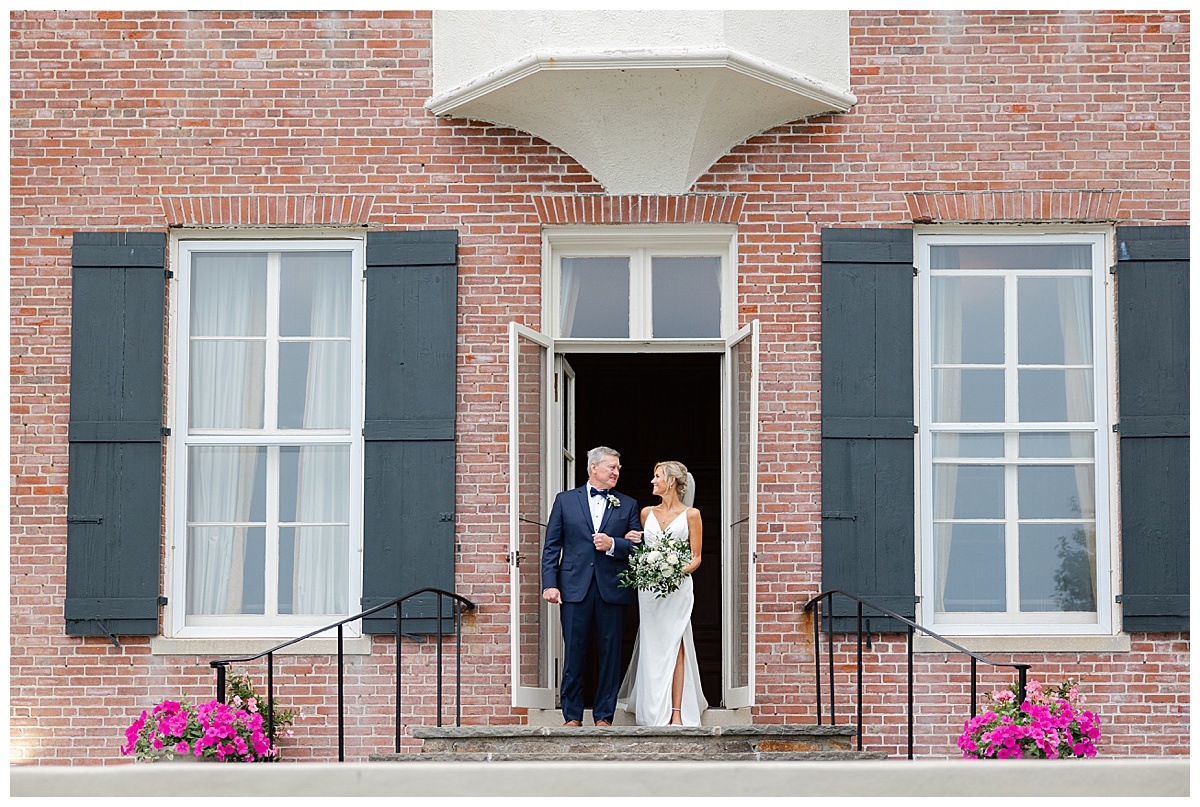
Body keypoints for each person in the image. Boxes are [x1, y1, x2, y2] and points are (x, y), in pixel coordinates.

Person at [541, 446, 643, 727]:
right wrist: (550, 584)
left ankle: (604, 716)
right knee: (574, 651)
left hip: (613, 588)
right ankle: (572, 715)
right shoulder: (564, 501)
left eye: (618, 468)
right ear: (594, 468)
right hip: (574, 587)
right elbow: (552, 547)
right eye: (612, 467)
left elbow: (638, 549)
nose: (616, 472)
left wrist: (614, 545)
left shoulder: (628, 504)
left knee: (610, 653)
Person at [617, 460, 708, 726]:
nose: (652, 481)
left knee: (675, 645)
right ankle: (653, 708)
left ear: (671, 481)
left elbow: (696, 557)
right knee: (652, 645)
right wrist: (649, 566)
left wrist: (674, 570)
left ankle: (677, 711)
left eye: (657, 476)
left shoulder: (692, 514)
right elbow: (640, 547)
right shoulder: (646, 513)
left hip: (676, 587)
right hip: (649, 589)